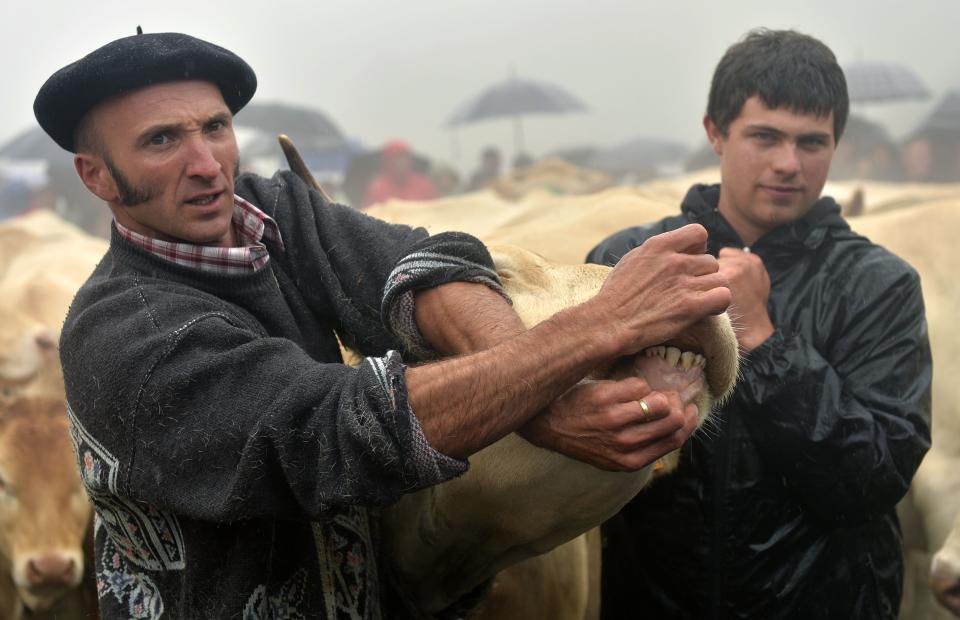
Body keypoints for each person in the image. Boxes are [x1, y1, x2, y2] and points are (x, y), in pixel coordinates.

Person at [36, 31, 731, 618]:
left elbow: (423, 265)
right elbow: (328, 428)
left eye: (215, 128)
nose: (205, 164)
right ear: (96, 176)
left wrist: (539, 397)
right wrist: (593, 331)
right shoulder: (123, 336)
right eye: (161, 141)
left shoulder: (272, 214)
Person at [588, 28, 932, 619]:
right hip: (654, 599)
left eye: (812, 142)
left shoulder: (879, 286)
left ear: (836, 144)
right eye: (765, 136)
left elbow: (872, 480)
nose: (788, 164)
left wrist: (761, 337)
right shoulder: (629, 262)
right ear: (715, 133)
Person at [362, 139, 437, 207]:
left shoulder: (423, 185)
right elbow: (369, 215)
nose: (403, 162)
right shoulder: (377, 189)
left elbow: (435, 210)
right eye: (398, 158)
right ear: (388, 161)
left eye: (405, 157)